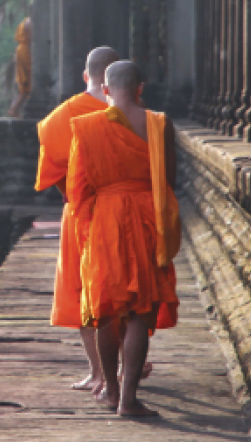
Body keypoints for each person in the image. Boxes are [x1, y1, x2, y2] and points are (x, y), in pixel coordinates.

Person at [68, 60, 181, 417]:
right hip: (148, 216)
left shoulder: (86, 127)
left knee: (104, 308)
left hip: (106, 219)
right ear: (140, 88)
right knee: (140, 310)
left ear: (104, 89)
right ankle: (129, 399)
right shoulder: (158, 124)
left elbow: (77, 188)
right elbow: (170, 177)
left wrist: (89, 226)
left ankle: (111, 391)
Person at [36, 46, 120, 395]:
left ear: (86, 76)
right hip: (122, 212)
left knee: (85, 291)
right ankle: (128, 365)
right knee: (122, 289)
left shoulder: (63, 115)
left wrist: (73, 195)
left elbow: (50, 170)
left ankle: (99, 373)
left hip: (81, 211)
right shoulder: (130, 113)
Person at [7, 17, 33, 118]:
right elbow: (31, 38)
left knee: (26, 84)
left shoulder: (25, 20)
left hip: (21, 49)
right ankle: (14, 109)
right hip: (25, 51)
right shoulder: (30, 22)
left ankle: (15, 109)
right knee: (27, 83)